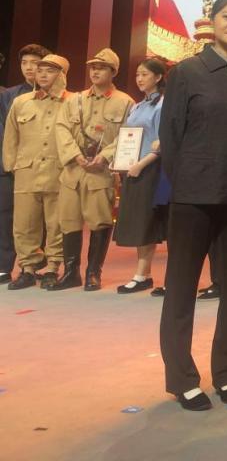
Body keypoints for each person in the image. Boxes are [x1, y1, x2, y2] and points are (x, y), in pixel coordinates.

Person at [159, 0, 227, 411]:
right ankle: (182, 378)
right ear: (213, 20)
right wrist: (189, 181)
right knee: (181, 288)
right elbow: (171, 136)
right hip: (193, 197)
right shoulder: (187, 72)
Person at [52, 48, 134, 291]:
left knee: (100, 222)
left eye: (102, 67)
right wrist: (75, 155)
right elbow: (61, 128)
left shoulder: (125, 102)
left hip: (101, 171)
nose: (95, 71)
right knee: (68, 221)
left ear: (113, 72)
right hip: (73, 171)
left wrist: (105, 156)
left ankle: (93, 273)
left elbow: (128, 135)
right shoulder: (75, 100)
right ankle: (71, 272)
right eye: (93, 67)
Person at [2, 54, 69, 289]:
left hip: (58, 172)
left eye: (49, 70)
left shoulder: (72, 102)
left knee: (56, 223)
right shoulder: (22, 102)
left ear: (62, 75)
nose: (42, 74)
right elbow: (10, 137)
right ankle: (27, 269)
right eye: (40, 70)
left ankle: (52, 267)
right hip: (26, 171)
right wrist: (11, 166)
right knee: (24, 223)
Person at [113, 58, 172, 294]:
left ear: (158, 77)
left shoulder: (163, 104)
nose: (139, 79)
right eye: (137, 74)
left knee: (151, 223)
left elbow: (162, 142)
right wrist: (119, 161)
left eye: (144, 74)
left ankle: (151, 275)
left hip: (154, 169)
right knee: (139, 223)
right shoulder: (137, 106)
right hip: (133, 169)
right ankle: (143, 275)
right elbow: (128, 137)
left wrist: (141, 164)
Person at [0, 44, 51, 285]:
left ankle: (35, 264)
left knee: (42, 217)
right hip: (14, 166)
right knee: (8, 215)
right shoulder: (9, 95)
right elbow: (5, 133)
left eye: (35, 63)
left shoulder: (59, 96)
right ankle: (4, 265)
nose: (29, 68)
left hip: (45, 165)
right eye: (24, 63)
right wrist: (8, 162)